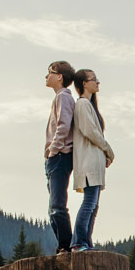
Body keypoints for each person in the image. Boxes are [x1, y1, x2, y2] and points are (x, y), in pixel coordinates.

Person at [70, 68, 113, 251]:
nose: (98, 82)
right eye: (94, 79)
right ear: (84, 84)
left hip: (94, 162)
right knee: (89, 203)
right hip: (88, 162)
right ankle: (78, 242)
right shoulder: (82, 105)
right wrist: (107, 148)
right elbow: (90, 131)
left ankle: (86, 242)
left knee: (93, 206)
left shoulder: (89, 105)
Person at [42, 60, 78, 253]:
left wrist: (53, 150)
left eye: (49, 72)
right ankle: (63, 246)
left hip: (60, 156)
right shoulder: (60, 97)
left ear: (59, 77)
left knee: (57, 205)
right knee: (53, 206)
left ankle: (66, 246)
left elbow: (63, 126)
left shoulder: (63, 97)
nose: (46, 76)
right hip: (55, 157)